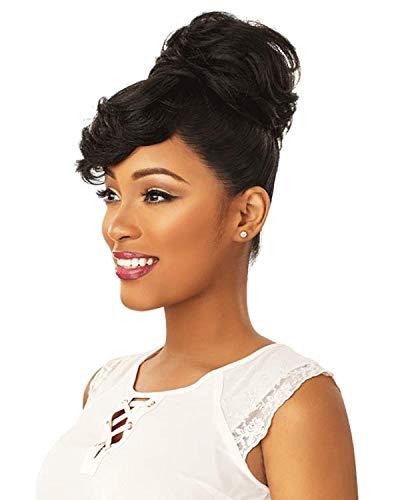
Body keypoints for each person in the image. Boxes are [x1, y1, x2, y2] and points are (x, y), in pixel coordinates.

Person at [36, 10, 358, 499]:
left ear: (246, 213)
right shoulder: (105, 386)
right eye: (111, 194)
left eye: (156, 195)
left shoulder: (290, 402)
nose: (117, 226)